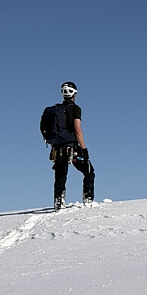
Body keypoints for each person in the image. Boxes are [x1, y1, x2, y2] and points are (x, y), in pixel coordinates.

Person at [41, 81, 95, 210]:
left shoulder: (54, 110)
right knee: (89, 172)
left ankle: (59, 201)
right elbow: (77, 130)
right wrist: (84, 149)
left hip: (57, 148)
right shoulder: (75, 109)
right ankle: (88, 200)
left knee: (60, 175)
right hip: (72, 147)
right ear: (74, 93)